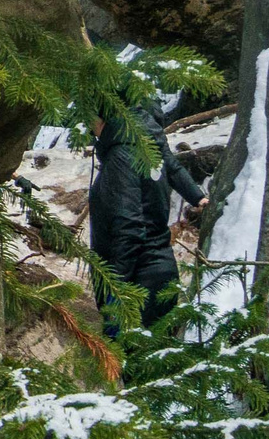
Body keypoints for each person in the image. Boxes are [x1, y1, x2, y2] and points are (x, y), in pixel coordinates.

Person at [88, 103, 207, 333]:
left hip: (136, 284)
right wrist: (198, 197)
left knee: (124, 354)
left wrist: (116, 287)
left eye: (90, 118)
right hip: (159, 271)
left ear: (105, 119)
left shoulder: (121, 157)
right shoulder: (149, 147)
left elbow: (129, 227)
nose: (89, 127)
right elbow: (174, 168)